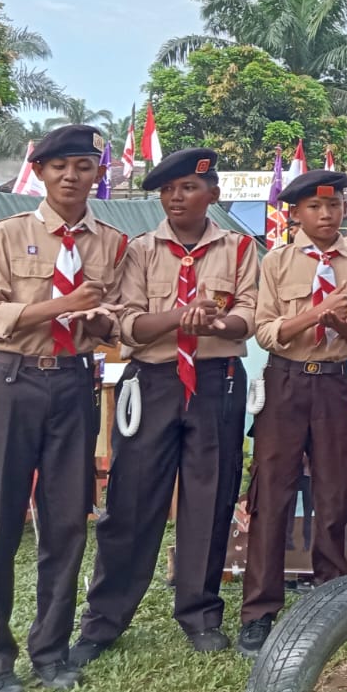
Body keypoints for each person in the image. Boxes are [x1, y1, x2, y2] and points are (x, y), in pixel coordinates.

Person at [72, 148, 258, 666]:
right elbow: (125, 321)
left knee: (210, 497)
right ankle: (104, 620)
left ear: (213, 195)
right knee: (131, 499)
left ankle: (199, 613)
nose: (177, 198)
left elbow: (249, 315)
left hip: (215, 379)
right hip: (152, 380)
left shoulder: (240, 249)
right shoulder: (140, 251)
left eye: (189, 189)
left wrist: (217, 324)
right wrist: (180, 317)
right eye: (169, 190)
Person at [0, 125, 128, 692]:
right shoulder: (8, 235)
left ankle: (52, 650)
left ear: (96, 175)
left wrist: (102, 319)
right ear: (40, 172)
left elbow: (117, 318)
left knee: (64, 524)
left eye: (83, 166)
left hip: (74, 387)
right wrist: (62, 304)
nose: (71, 176)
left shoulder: (109, 242)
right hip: (13, 384)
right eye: (59, 165)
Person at [239, 170, 347, 658]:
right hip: (287, 381)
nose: (326, 215)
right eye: (316, 208)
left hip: (334, 382)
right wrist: (318, 313)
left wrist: (343, 322)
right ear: (295, 213)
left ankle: (331, 594)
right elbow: (266, 332)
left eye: (335, 206)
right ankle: (259, 610)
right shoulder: (276, 262)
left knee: (334, 490)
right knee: (272, 493)